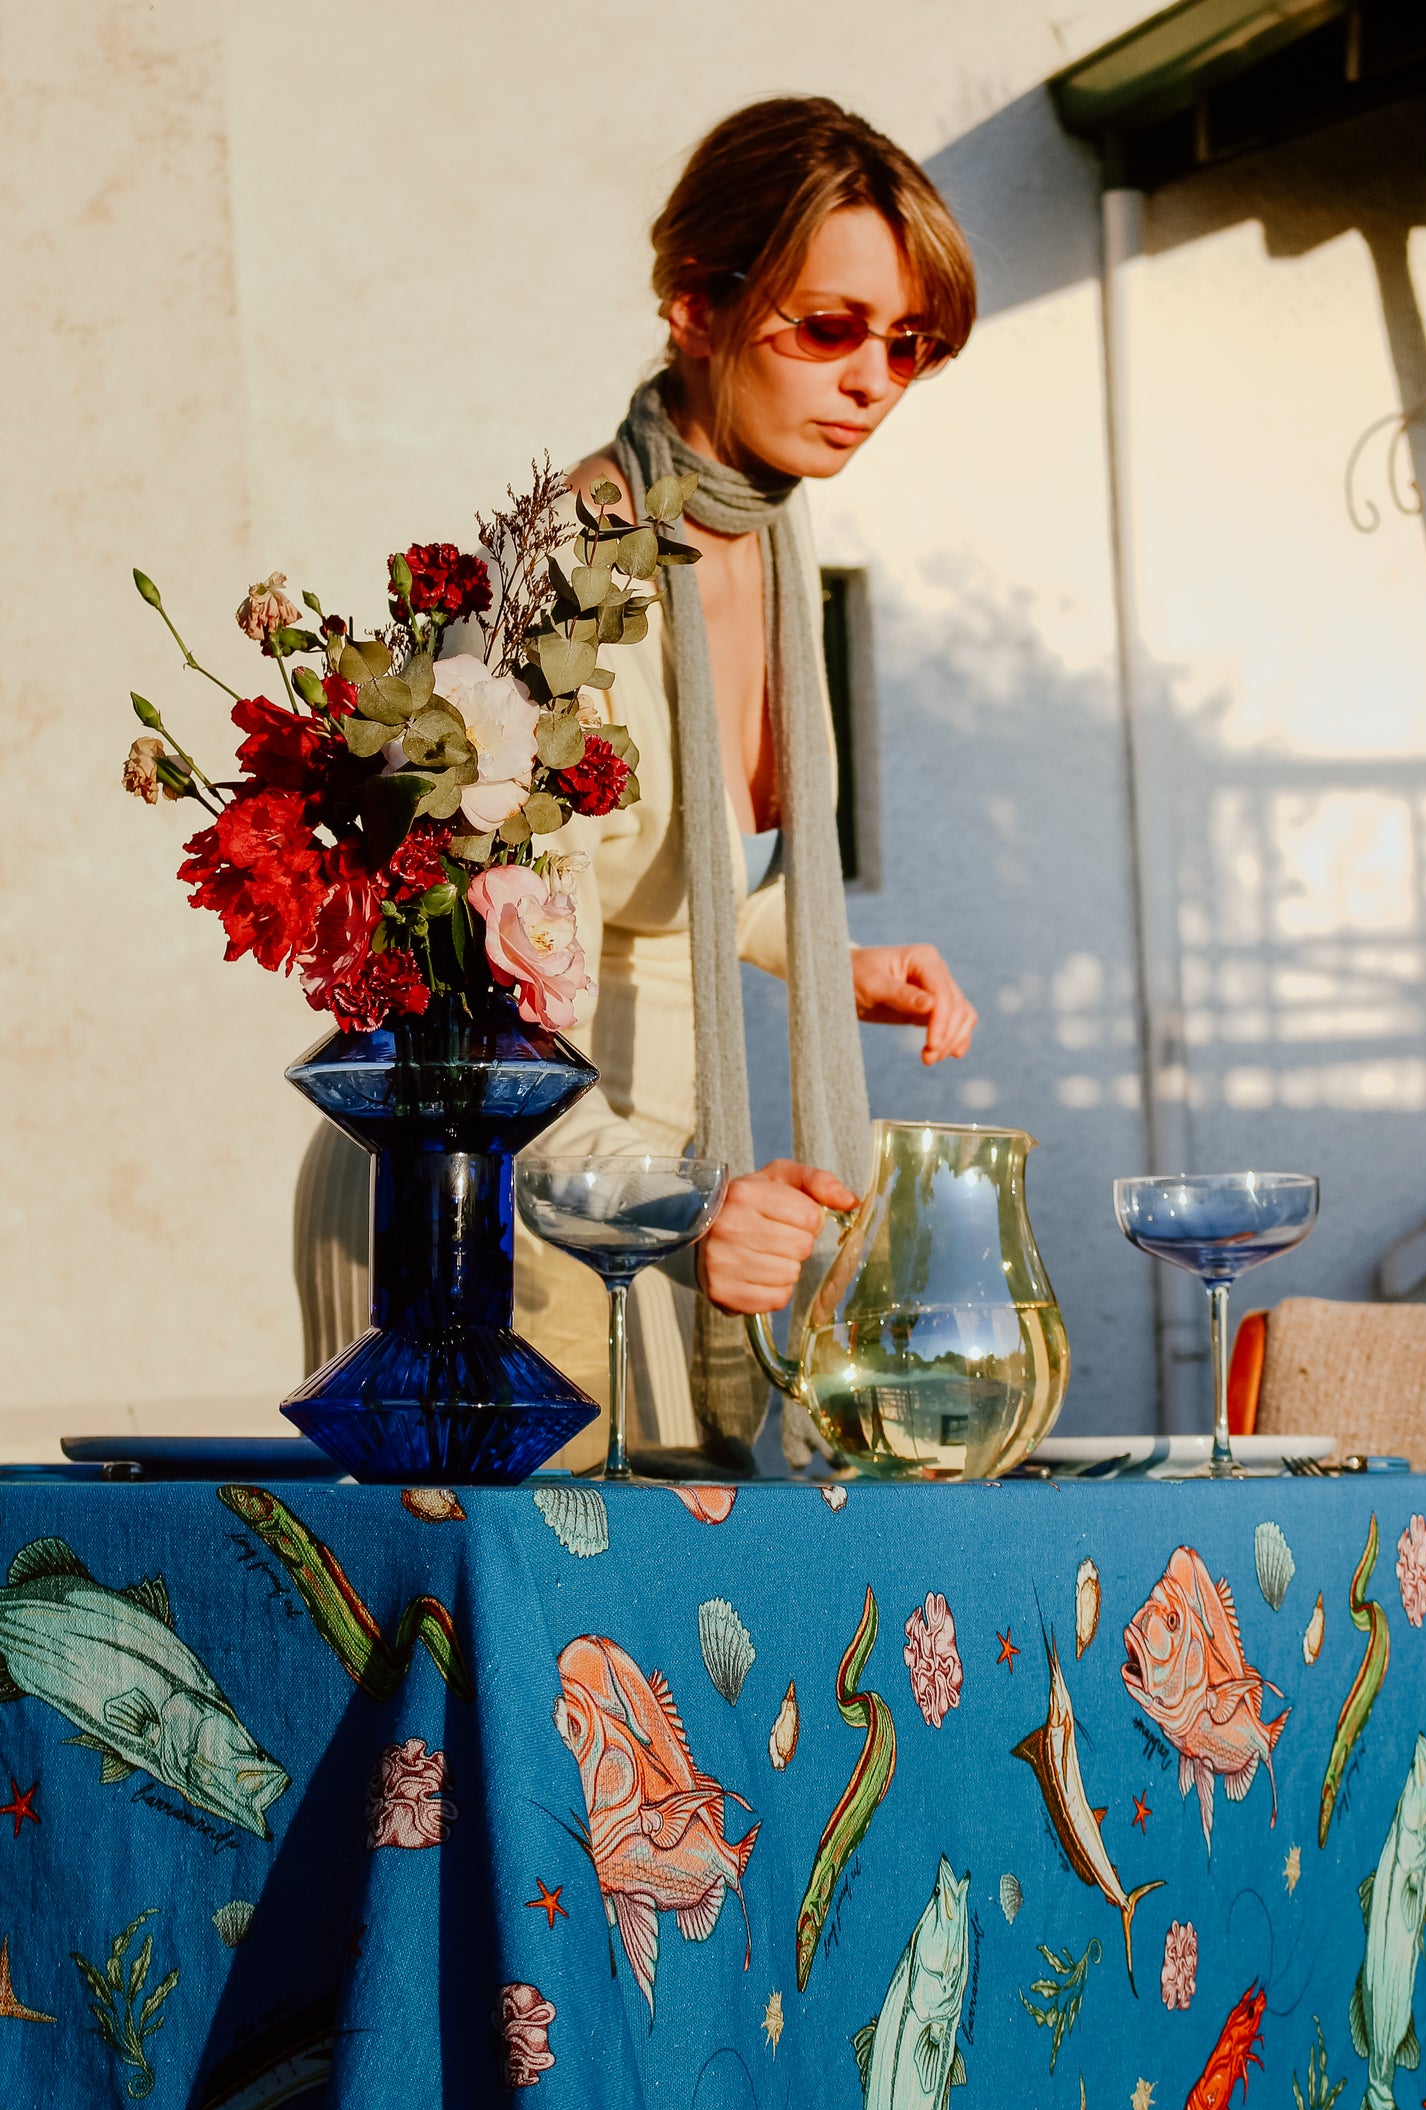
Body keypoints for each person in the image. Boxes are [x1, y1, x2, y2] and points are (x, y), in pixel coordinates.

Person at [295, 95, 979, 1470]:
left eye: (911, 345)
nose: (872, 382)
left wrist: (821, 948)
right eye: (830, 328)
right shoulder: (543, 592)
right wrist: (677, 1207)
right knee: (537, 1663)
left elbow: (646, 891)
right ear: (695, 307)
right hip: (496, 1208)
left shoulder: (769, 555)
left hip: (684, 1199)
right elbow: (468, 1005)